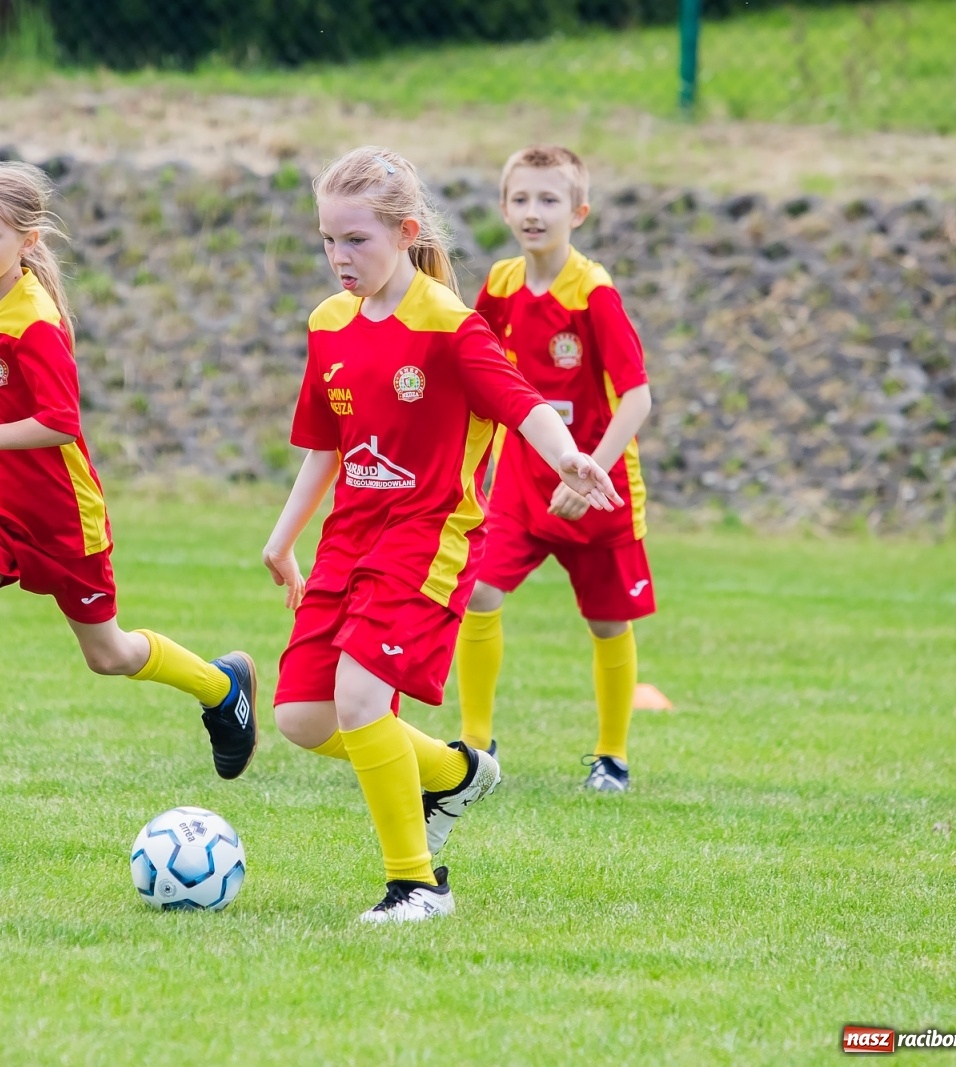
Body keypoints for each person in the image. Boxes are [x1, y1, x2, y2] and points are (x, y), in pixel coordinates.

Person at [0, 161, 257, 847]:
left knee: (109, 654)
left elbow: (62, 421)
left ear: (29, 240)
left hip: (60, 514)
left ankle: (221, 688)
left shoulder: (34, 319)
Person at [262, 147, 622, 923]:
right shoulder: (329, 324)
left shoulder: (450, 326)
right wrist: (284, 537)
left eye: (356, 240)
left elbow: (523, 403)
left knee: (361, 699)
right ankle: (457, 772)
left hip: (428, 537)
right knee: (302, 717)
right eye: (328, 240)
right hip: (347, 540)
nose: (339, 257)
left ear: (406, 232)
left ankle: (416, 885)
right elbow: (326, 444)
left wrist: (570, 459)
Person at [454, 146, 654, 793]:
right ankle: (477, 748)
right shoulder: (502, 284)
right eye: (521, 199)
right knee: (478, 591)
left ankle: (612, 757)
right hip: (520, 483)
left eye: (549, 200)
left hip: (598, 489)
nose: (533, 213)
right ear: (504, 208)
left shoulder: (593, 293)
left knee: (606, 621)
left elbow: (638, 396)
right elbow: (474, 372)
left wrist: (588, 472)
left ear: (579, 212)